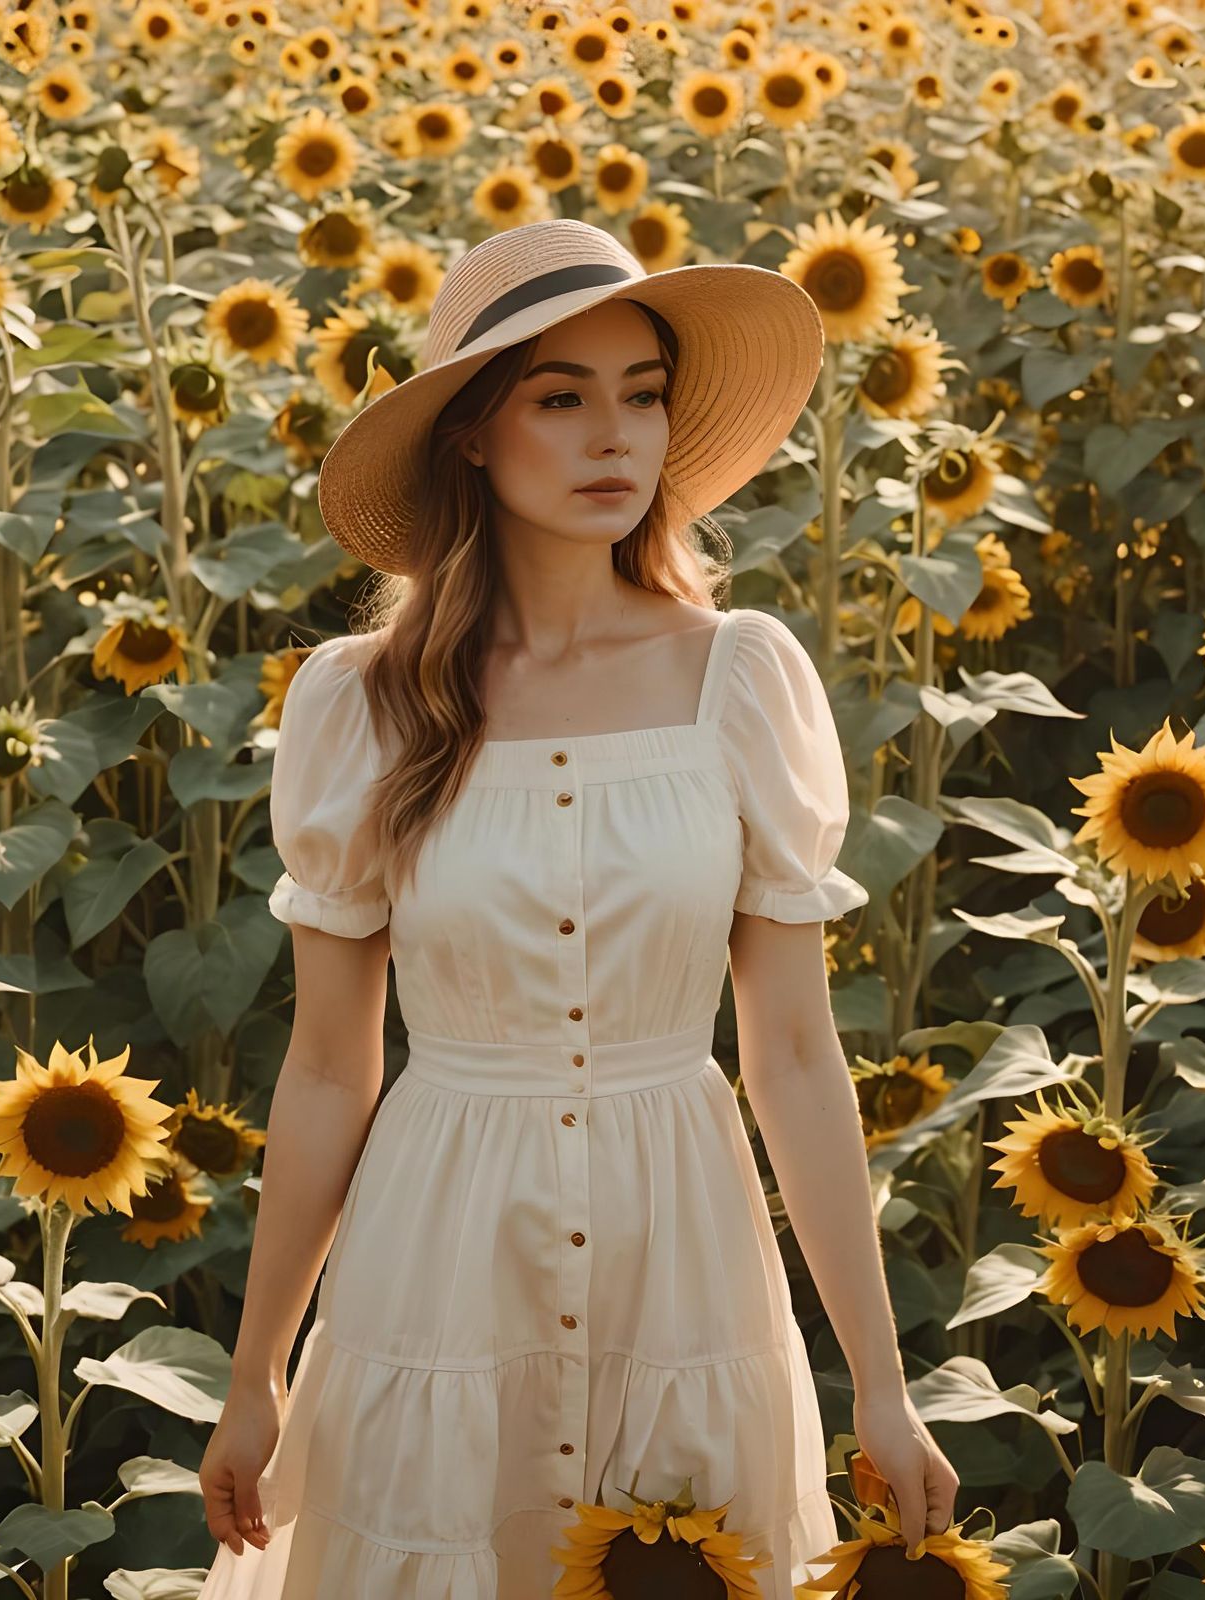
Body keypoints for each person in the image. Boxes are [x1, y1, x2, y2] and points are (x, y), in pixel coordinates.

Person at [195, 217, 957, 1598]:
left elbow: (790, 1055)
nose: (617, 436)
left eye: (643, 393)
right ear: (473, 435)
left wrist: (883, 1387)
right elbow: (326, 1067)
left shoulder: (741, 677)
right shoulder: (364, 705)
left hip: (687, 1252)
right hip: (436, 1248)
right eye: (561, 397)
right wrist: (255, 1373)